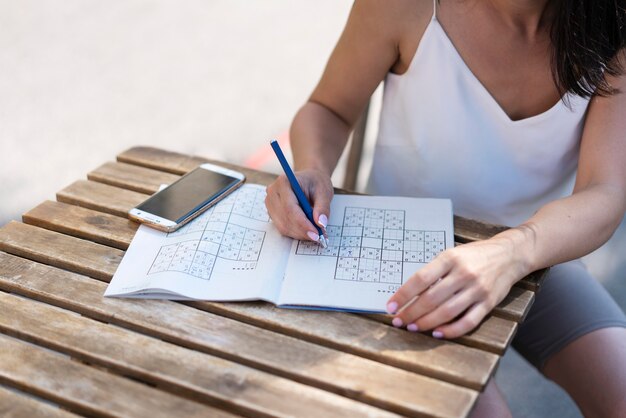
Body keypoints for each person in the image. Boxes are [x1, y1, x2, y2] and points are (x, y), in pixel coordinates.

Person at [264, 0, 626, 416]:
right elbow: (328, 109)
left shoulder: (612, 23)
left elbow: (605, 192)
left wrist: (512, 252)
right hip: (397, 261)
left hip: (534, 253)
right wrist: (312, 168)